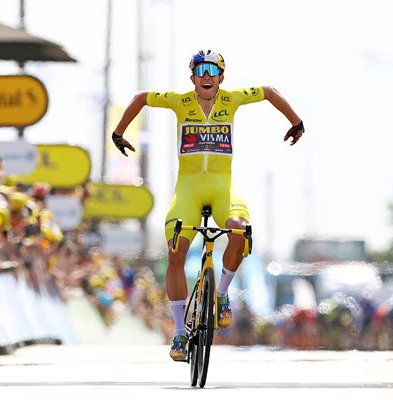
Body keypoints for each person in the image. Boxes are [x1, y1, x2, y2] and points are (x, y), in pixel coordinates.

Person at [111, 49, 304, 361]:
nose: (205, 76)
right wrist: (118, 133)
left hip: (221, 189)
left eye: (211, 70)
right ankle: (178, 334)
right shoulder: (179, 100)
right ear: (192, 77)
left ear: (221, 77)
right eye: (199, 70)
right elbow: (142, 97)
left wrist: (296, 122)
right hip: (187, 191)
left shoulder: (232, 99)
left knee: (239, 232)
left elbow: (269, 92)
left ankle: (222, 294)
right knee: (176, 254)